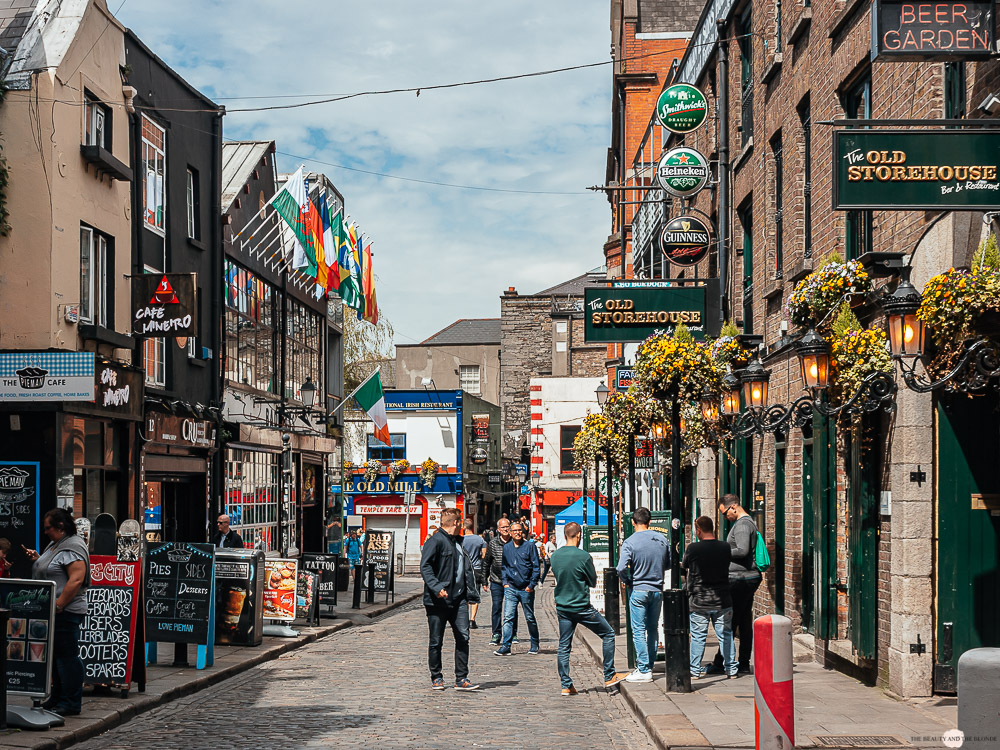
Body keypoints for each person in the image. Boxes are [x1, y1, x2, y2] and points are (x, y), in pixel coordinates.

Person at [23, 508, 90, 716]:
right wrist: (37, 558)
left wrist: (59, 605)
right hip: (53, 611)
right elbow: (53, 568)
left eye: (48, 528)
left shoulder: (73, 545)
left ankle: (70, 702)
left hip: (65, 611)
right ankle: (58, 697)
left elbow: (76, 579)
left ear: (60, 526)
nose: (45, 532)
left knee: (67, 657)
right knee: (56, 657)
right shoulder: (56, 544)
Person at [550, 522, 629, 695]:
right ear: (579, 535)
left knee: (564, 646)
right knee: (608, 634)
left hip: (563, 607)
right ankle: (609, 675)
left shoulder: (555, 556)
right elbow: (592, 581)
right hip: (581, 606)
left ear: (565, 535)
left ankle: (566, 684)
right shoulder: (584, 556)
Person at [419, 508, 480, 691]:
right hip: (437, 601)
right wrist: (437, 587)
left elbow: (465, 570)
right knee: (436, 641)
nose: (462, 525)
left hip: (459, 599)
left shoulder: (459, 542)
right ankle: (436, 677)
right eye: (460, 522)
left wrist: (470, 593)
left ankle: (461, 678)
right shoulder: (435, 541)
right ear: (456, 523)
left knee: (463, 637)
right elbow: (425, 567)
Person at [707, 494, 763, 675]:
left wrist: (721, 550)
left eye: (724, 513)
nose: (725, 517)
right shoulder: (746, 523)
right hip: (746, 578)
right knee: (744, 621)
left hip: (740, 579)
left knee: (729, 621)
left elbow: (742, 550)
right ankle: (743, 663)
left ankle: (721, 662)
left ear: (733, 507)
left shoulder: (742, 525)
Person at [616, 506, 670, 683]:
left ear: (633, 522)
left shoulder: (630, 542)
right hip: (657, 589)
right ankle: (650, 664)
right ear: (650, 521)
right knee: (652, 628)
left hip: (638, 588)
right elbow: (668, 563)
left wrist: (628, 579)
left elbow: (621, 568)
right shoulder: (662, 539)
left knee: (638, 630)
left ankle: (644, 668)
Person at [683, 516, 736, 679]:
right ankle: (731, 669)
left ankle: (694, 670)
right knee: (726, 635)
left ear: (698, 530)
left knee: (698, 636)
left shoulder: (693, 548)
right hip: (722, 599)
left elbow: (685, 565)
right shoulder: (725, 547)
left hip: (700, 600)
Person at [494, 521, 540, 656]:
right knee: (508, 617)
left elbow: (536, 567)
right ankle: (506, 646)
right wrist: (505, 582)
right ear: (510, 532)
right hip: (511, 588)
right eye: (514, 531)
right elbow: (504, 566)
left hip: (526, 588)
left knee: (529, 617)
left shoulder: (530, 546)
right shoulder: (507, 548)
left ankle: (534, 643)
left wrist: (531, 585)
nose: (517, 533)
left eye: (519, 530)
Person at [482, 518, 519, 646]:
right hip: (496, 580)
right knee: (497, 607)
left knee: (512, 608)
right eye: (503, 527)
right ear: (498, 529)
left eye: (507, 527)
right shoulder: (493, 543)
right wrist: (484, 580)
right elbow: (486, 562)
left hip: (512, 581)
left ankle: (513, 632)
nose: (505, 529)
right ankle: (496, 633)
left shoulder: (515, 542)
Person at [460, 520, 487, 629]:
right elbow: (484, 554)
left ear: (464, 527)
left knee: (464, 594)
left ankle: (465, 619)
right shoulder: (480, 539)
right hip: (476, 569)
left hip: (463, 569)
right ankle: (472, 620)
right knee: (475, 593)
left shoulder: (461, 540)